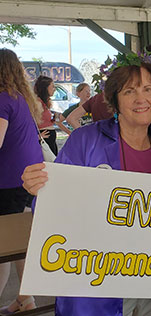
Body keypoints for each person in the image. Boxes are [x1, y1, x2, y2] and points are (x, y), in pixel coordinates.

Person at [21, 55, 151, 316]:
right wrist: (38, 188)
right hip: (97, 280)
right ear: (115, 99)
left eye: (148, 90)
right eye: (130, 91)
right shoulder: (85, 141)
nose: (141, 99)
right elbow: (52, 209)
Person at [0, 48, 42, 314]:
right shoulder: (22, 98)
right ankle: (25, 298)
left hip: (9, 181)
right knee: (20, 242)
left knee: (4, 243)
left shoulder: (2, 99)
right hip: (30, 177)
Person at [33, 75, 61, 155]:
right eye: (52, 87)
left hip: (49, 138)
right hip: (45, 138)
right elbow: (31, 121)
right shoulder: (38, 103)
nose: (54, 89)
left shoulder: (45, 103)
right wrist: (37, 136)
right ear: (45, 88)